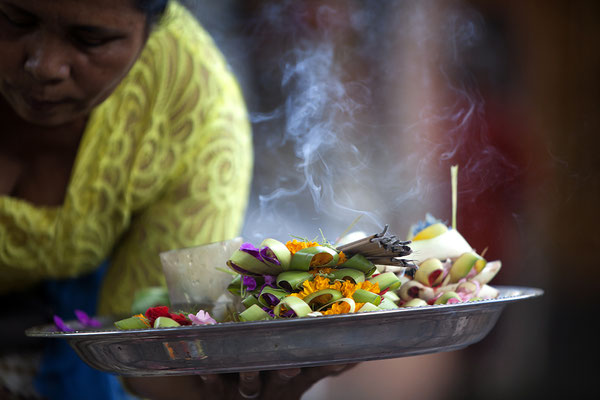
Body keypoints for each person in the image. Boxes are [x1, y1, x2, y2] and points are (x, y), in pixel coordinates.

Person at [0, 1, 353, 399]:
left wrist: (242, 387)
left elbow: (145, 348)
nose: (44, 65)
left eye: (91, 39)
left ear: (151, 25)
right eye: (16, 19)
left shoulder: (193, 111)